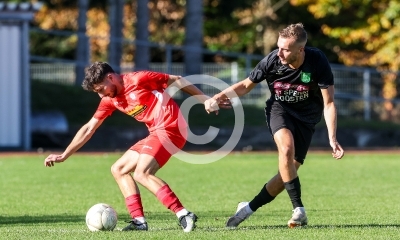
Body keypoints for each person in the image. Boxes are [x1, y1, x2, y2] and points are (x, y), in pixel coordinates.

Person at [44, 62, 229, 232]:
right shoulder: (110, 99)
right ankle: (139, 221)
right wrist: (64, 155)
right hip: (156, 133)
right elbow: (88, 128)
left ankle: (183, 214)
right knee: (119, 169)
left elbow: (178, 81)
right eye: (97, 93)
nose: (101, 95)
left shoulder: (139, 79)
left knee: (142, 173)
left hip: (172, 128)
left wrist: (204, 99)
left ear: (111, 77)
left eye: (101, 89)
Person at [204, 23, 344, 228]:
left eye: (285, 49)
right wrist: (216, 97)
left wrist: (332, 137)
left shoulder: (317, 61)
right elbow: (245, 86)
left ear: (300, 49)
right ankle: (299, 209)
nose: (279, 52)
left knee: (286, 174)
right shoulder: (272, 61)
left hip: (307, 119)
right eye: (278, 46)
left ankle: (247, 208)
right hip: (280, 111)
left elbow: (329, 103)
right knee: (286, 149)